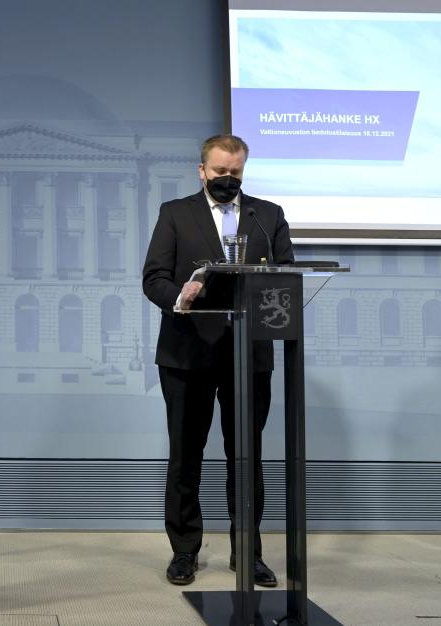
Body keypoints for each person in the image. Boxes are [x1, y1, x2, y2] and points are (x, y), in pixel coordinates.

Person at [142, 134, 294, 586]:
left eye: (236, 172)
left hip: (249, 354)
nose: (228, 180)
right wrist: (181, 296)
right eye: (220, 172)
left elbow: (286, 272)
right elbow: (153, 278)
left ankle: (248, 552)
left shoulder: (266, 216)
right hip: (186, 352)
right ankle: (184, 551)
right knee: (185, 458)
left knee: (246, 457)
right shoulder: (176, 213)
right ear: (202, 170)